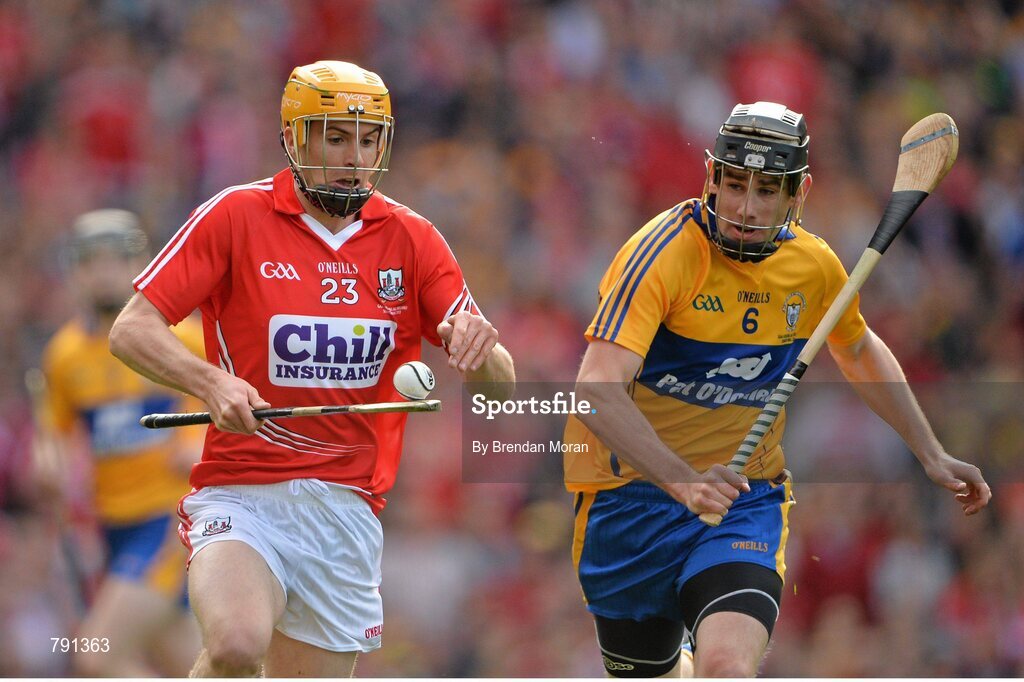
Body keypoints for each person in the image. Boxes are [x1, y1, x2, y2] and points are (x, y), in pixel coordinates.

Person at [109, 60, 515, 678]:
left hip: (347, 511)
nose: (355, 156)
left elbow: (499, 387)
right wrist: (211, 381)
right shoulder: (236, 215)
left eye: (369, 139)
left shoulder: (413, 239)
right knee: (236, 645)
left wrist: (482, 352)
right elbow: (131, 329)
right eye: (336, 136)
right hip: (242, 493)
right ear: (296, 138)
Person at [563, 102, 991, 678]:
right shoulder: (661, 254)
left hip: (745, 501)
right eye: (735, 184)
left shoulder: (813, 268)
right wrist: (684, 480)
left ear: (799, 193)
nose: (745, 207)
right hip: (629, 504)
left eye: (768, 190)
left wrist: (930, 452)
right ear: (710, 177)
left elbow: (858, 349)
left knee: (727, 667)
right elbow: (595, 390)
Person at [37, 209, 203, 676]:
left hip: (168, 521)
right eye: (94, 262)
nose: (106, 272)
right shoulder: (64, 355)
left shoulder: (184, 338)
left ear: (144, 263)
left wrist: (199, 447)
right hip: (113, 525)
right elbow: (55, 432)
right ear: (76, 271)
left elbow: (224, 415)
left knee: (97, 653)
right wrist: (46, 462)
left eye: (118, 260)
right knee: (184, 663)